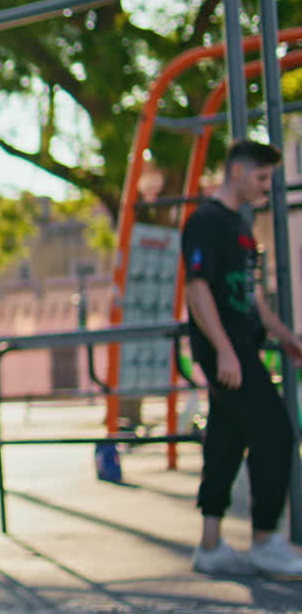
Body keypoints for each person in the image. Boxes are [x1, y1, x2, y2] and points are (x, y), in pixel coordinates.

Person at [182, 139, 302, 577]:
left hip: (241, 348)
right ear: (237, 172)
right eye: (261, 177)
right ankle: (266, 540)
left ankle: (211, 546)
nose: (265, 187)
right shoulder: (207, 222)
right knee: (276, 433)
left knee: (227, 442)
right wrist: (226, 352)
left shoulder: (240, 226)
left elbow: (250, 297)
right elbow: (197, 289)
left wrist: (288, 338)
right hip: (228, 354)